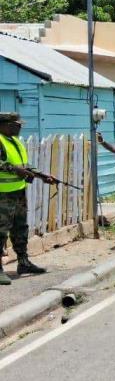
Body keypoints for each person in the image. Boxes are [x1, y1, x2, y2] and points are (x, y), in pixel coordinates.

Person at [0, 113, 57, 285]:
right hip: (3, 194)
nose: (20, 127)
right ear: (4, 124)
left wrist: (41, 175)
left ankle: (23, 262)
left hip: (18, 192)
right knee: (1, 232)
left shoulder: (15, 141)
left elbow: (24, 165)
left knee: (20, 227)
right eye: (16, 124)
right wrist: (14, 169)